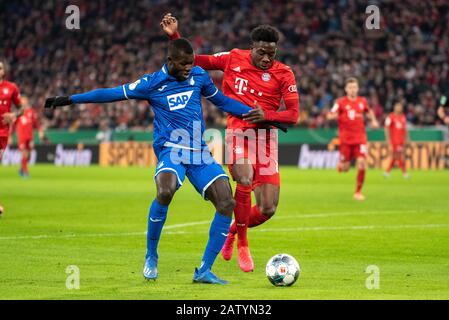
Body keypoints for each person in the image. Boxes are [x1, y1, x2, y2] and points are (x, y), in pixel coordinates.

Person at [44, 38, 271, 284]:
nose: (188, 68)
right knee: (165, 191)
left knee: (227, 202)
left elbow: (222, 102)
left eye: (191, 63)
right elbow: (110, 94)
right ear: (170, 61)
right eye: (184, 64)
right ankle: (151, 255)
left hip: (199, 152)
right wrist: (70, 99)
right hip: (171, 149)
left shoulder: (199, 77)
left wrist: (258, 115)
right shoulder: (151, 83)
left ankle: (204, 270)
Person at [161, 14, 299, 272]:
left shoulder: (284, 74)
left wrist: (267, 115)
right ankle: (244, 246)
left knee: (268, 208)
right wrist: (174, 37)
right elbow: (195, 60)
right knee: (244, 178)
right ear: (252, 48)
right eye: (262, 53)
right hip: (239, 133)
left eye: (272, 53)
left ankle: (235, 231)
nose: (267, 58)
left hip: (266, 139)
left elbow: (293, 114)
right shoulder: (233, 58)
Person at [327, 77, 379, 201]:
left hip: (360, 138)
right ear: (346, 89)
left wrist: (374, 121)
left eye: (354, 87)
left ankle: (357, 192)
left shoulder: (362, 101)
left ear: (358, 88)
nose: (352, 90)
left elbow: (369, 112)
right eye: (350, 87)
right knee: (345, 168)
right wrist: (331, 116)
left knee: (362, 163)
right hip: (345, 140)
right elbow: (330, 114)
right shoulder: (340, 102)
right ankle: (341, 166)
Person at [0, 59, 23, 215]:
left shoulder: (11, 88)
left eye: (0, 67)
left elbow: (21, 108)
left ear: (3, 70)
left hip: (2, 132)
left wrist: (14, 115)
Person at [13, 96, 45, 178]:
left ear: (26, 102)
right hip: (21, 137)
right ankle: (25, 172)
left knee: (29, 156)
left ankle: (21, 168)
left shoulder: (31, 112)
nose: (23, 102)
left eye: (24, 101)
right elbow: (13, 125)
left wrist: (40, 131)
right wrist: (10, 135)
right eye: (22, 101)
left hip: (30, 137)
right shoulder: (18, 113)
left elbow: (36, 123)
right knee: (25, 154)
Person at [384, 101, 409, 178]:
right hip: (394, 140)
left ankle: (387, 172)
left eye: (400, 107)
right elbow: (386, 128)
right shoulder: (390, 116)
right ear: (394, 108)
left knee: (396, 156)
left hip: (401, 140)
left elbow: (405, 129)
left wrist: (407, 138)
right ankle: (404, 173)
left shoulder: (403, 117)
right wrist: (388, 139)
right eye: (397, 107)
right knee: (398, 156)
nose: (399, 108)